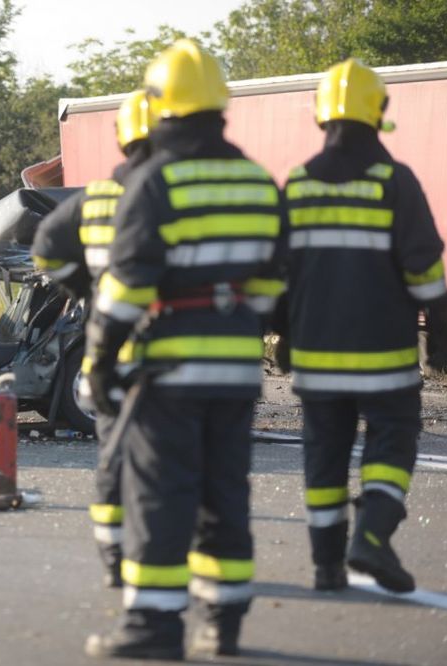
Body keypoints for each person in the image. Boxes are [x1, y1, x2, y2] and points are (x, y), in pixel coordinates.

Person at [83, 40, 286, 659]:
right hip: (234, 373)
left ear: (160, 105)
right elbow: (276, 287)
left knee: (160, 493)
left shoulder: (155, 181)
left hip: (168, 372)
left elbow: (125, 287)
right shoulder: (257, 181)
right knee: (225, 493)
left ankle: (152, 627)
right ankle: (222, 622)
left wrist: (100, 360)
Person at [282, 59, 447, 594]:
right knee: (393, 443)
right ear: (379, 115)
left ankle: (326, 567)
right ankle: (373, 538)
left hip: (316, 360)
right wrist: (443, 331)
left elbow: (278, 270)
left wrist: (283, 336)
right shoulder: (393, 182)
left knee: (324, 460)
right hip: (384, 361)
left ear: (321, 116)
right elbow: (424, 266)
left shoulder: (299, 185)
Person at [31, 91, 157, 590]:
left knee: (116, 459)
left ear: (123, 138)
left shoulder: (103, 195)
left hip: (115, 354)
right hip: (180, 358)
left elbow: (47, 247)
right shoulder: (181, 192)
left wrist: (86, 290)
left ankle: (116, 559)